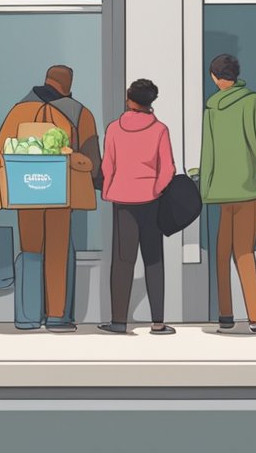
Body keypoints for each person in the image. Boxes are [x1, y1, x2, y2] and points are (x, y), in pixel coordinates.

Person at [0, 64, 102, 332]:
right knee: (58, 250)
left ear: (46, 80)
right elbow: (94, 164)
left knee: (30, 250)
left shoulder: (18, 111)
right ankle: (57, 316)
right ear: (68, 85)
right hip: (59, 193)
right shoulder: (80, 113)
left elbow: (0, 154)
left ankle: (28, 316)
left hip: (24, 192)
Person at [201, 54, 256, 335]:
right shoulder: (254, 101)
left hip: (219, 189)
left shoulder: (211, 109)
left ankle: (225, 315)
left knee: (221, 254)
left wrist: (206, 188)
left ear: (215, 77)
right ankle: (254, 318)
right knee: (244, 253)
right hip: (246, 188)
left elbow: (208, 153)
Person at [98, 79, 175, 335]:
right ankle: (158, 322)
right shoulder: (160, 130)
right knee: (153, 260)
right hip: (151, 201)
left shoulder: (113, 129)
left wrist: (109, 189)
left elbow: (107, 165)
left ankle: (119, 321)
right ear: (150, 102)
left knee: (122, 261)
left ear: (129, 100)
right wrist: (155, 189)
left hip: (122, 200)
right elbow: (168, 169)